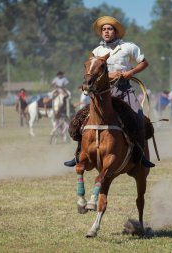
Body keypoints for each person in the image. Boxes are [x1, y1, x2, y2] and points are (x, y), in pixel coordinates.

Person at [64, 16, 154, 168]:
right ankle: (79, 154)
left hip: (124, 89)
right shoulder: (97, 51)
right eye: (104, 29)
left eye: (109, 29)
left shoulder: (129, 47)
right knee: (80, 120)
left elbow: (144, 62)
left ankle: (140, 154)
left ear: (116, 32)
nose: (106, 32)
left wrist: (130, 73)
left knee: (138, 117)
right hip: (102, 93)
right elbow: (92, 71)